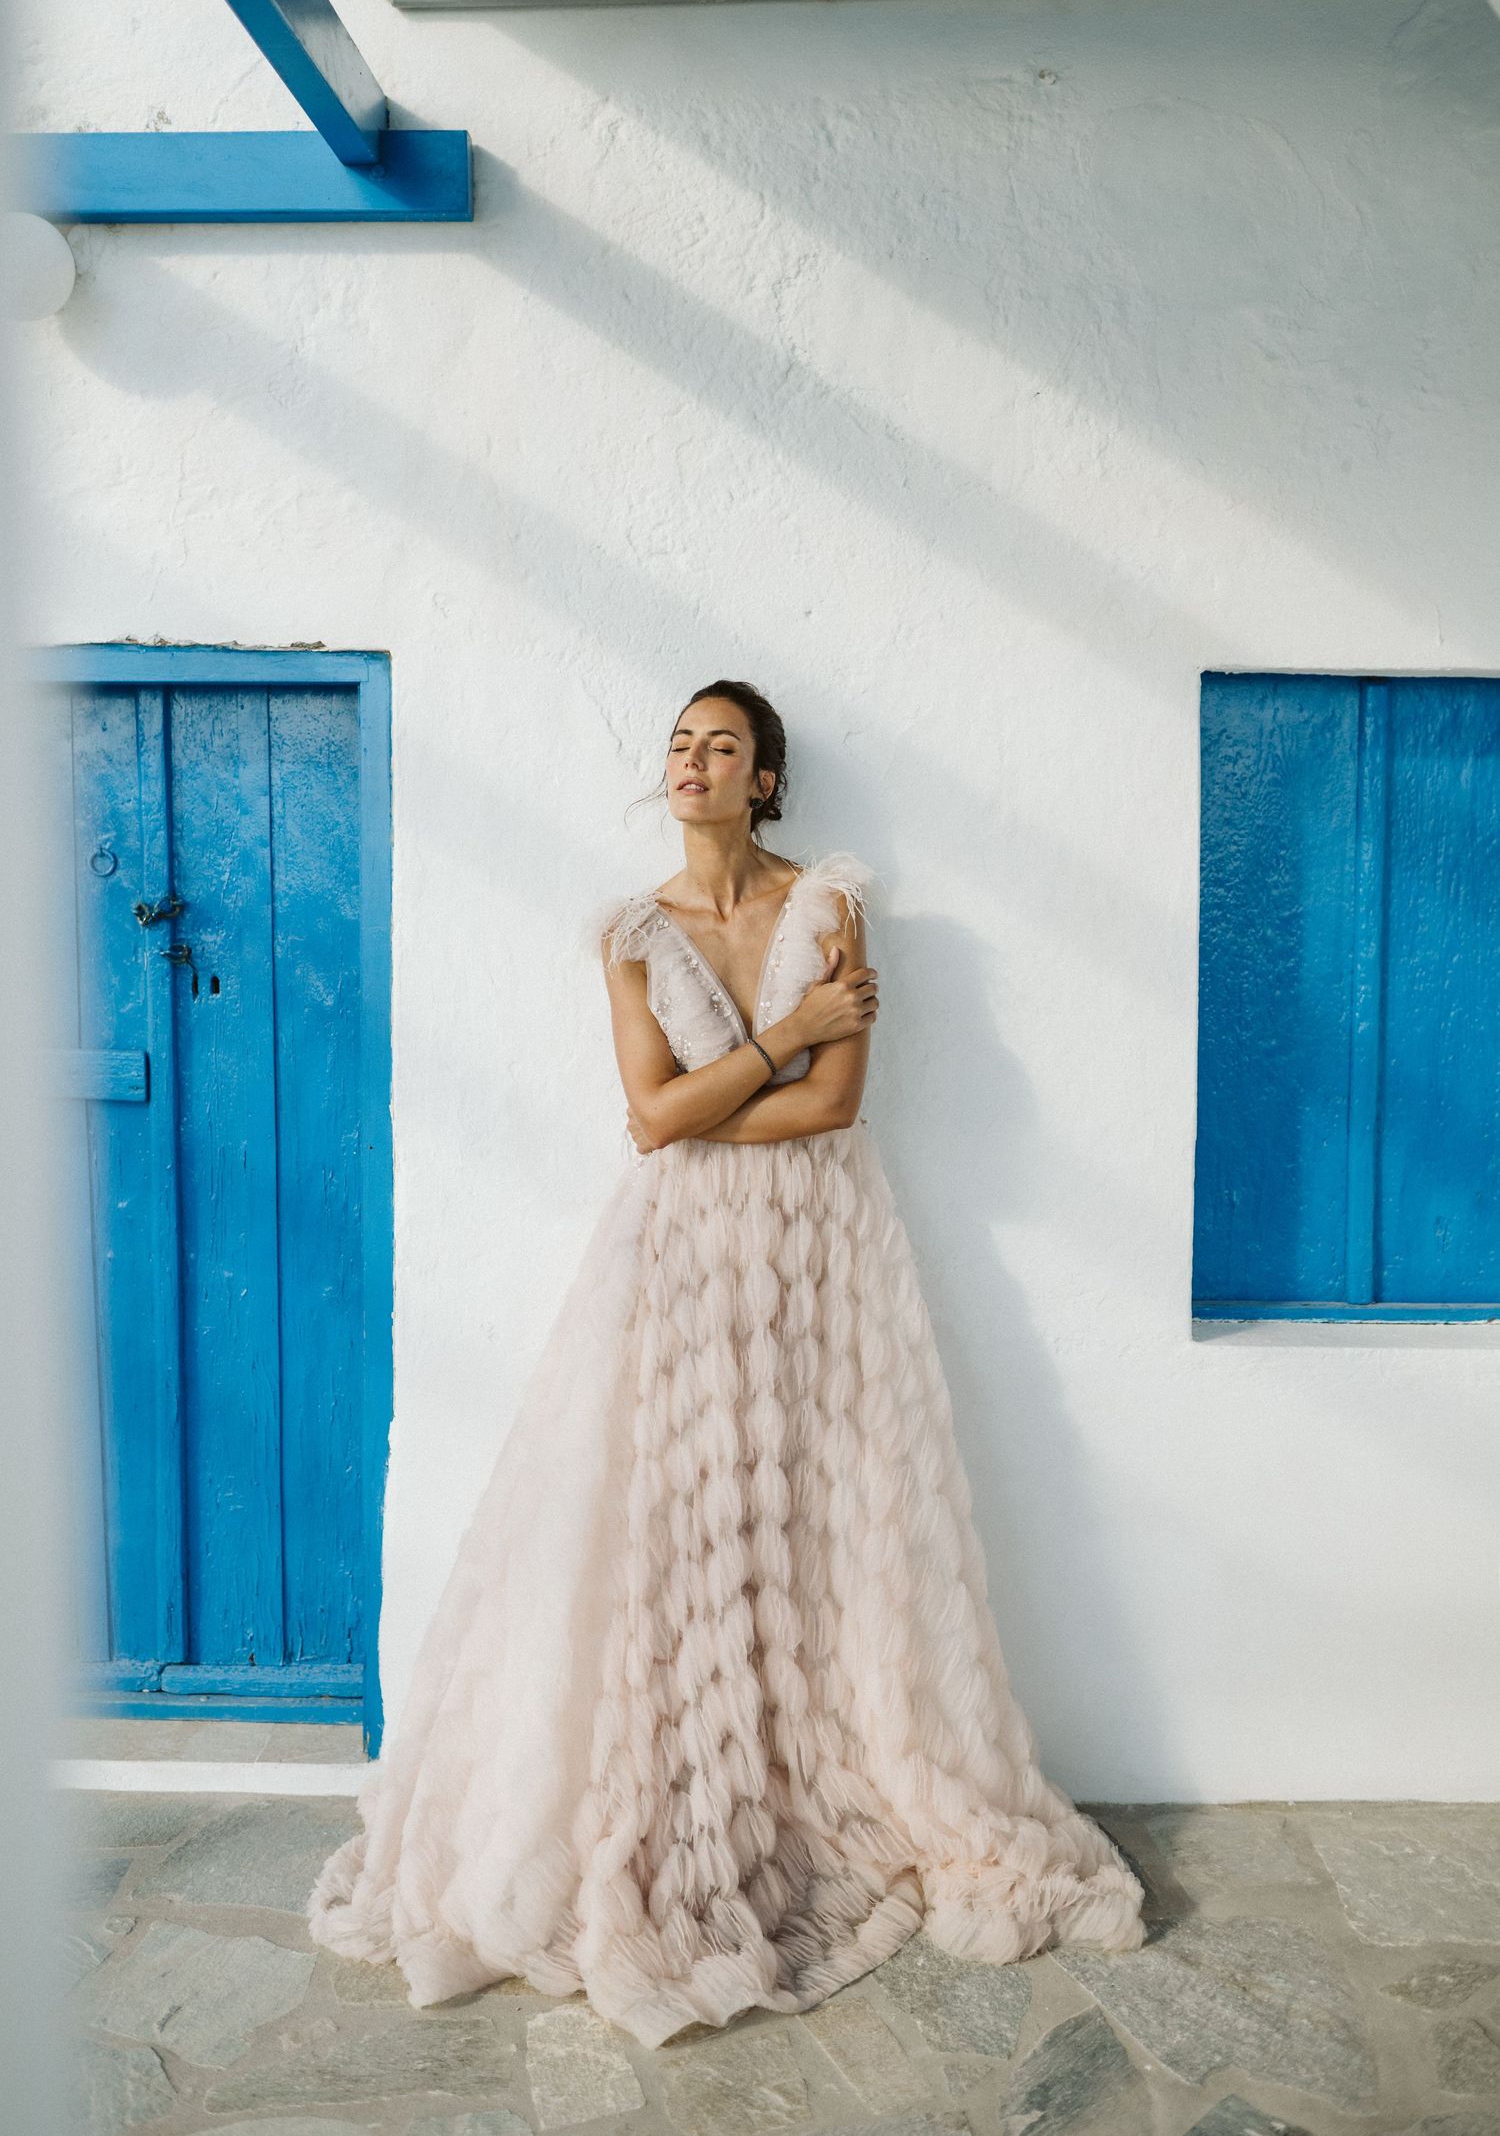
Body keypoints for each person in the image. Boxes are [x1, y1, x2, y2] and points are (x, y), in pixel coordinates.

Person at [305, 676, 1146, 2046]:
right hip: (682, 1255)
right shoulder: (633, 933)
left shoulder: (832, 906)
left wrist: (754, 1078)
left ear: (767, 779)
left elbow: (837, 1106)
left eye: (723, 747)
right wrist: (786, 1034)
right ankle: (689, 1792)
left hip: (821, 1246)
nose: (692, 763)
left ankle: (828, 1784)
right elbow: (651, 1118)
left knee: (829, 1517)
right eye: (681, 746)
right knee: (674, 1529)